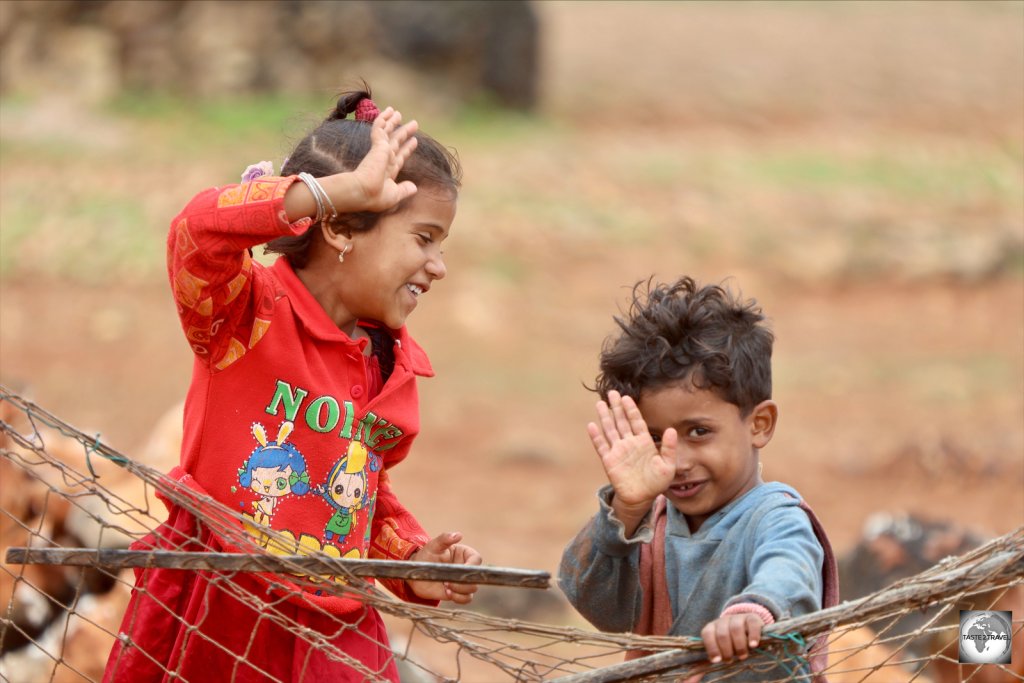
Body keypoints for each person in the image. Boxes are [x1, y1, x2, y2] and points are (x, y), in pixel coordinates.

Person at [104, 87, 481, 683]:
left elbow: (359, 488)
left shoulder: (389, 364)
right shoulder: (244, 316)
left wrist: (411, 561)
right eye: (423, 238)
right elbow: (197, 231)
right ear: (339, 229)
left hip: (337, 625)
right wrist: (335, 192)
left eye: (442, 243)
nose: (438, 265)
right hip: (219, 608)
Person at [558, 276, 838, 682]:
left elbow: (790, 572)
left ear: (759, 424)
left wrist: (754, 612)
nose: (677, 461)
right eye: (655, 440)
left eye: (698, 432)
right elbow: (596, 604)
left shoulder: (774, 515)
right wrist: (627, 508)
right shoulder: (649, 522)